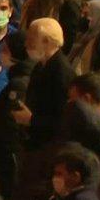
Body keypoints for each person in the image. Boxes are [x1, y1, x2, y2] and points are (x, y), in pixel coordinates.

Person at [14, 18, 72, 148]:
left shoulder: (62, 72)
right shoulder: (40, 66)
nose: (26, 44)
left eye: (31, 40)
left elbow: (63, 119)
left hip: (49, 145)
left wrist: (32, 120)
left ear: (46, 41)